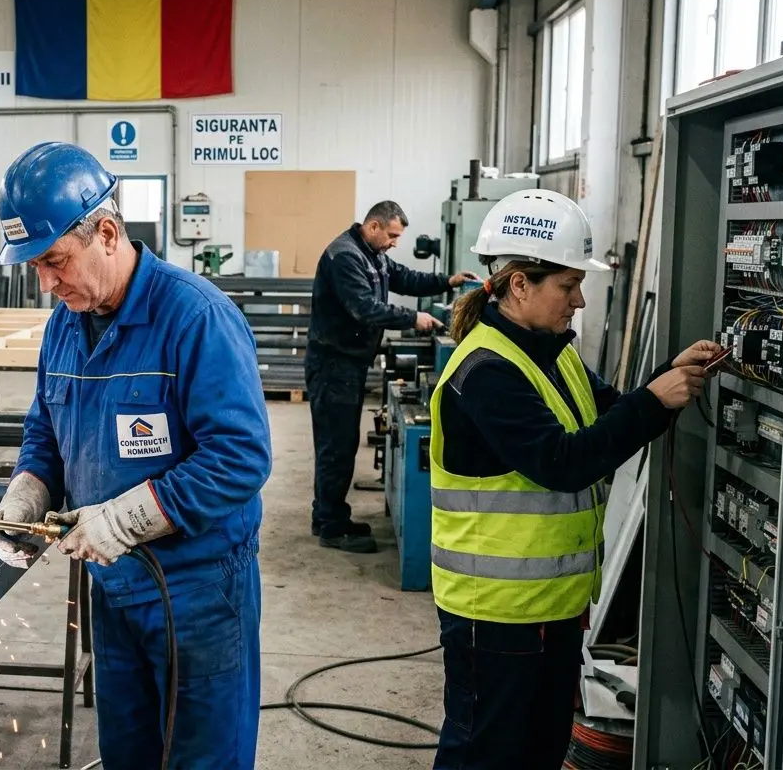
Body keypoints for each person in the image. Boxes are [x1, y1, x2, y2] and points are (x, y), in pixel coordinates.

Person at [0, 142, 271, 770]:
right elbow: (47, 430)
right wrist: (28, 490)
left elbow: (240, 457)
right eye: (34, 267)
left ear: (107, 232)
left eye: (55, 261)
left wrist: (125, 518)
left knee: (202, 757)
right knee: (129, 754)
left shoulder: (196, 317)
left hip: (197, 591)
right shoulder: (66, 321)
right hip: (112, 590)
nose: (47, 283)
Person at [429, 189, 717, 770]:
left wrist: (669, 379)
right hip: (498, 613)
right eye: (567, 285)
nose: (580, 300)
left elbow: (609, 412)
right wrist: (653, 404)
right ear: (519, 285)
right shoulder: (487, 372)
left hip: (551, 606)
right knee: (485, 753)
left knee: (539, 749)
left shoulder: (550, 353)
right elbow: (565, 462)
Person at [306, 200, 479, 552]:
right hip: (333, 366)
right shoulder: (346, 257)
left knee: (337, 445)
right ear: (373, 227)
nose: (394, 243)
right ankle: (332, 527)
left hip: (347, 364)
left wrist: (447, 281)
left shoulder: (372, 254)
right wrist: (413, 319)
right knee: (336, 447)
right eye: (392, 235)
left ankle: (325, 515)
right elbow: (364, 308)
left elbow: (404, 278)